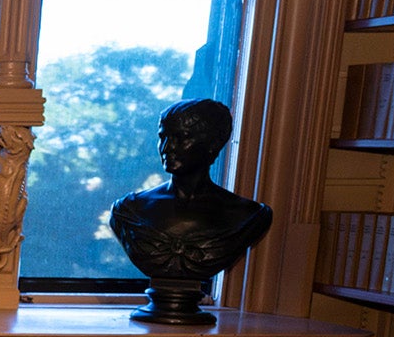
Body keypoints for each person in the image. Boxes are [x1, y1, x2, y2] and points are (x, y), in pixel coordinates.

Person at [109, 98, 273, 283]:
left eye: (181, 137)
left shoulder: (247, 216)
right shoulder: (129, 210)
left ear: (213, 143)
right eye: (163, 137)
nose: (167, 148)